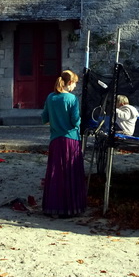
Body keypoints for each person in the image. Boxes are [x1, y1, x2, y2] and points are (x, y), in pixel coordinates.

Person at [40, 70, 86, 217]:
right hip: (71, 140)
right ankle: (71, 208)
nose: (75, 87)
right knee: (70, 173)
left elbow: (44, 118)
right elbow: (75, 121)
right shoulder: (72, 99)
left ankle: (53, 207)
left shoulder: (50, 97)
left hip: (55, 140)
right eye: (75, 83)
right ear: (70, 83)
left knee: (55, 174)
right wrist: (80, 121)